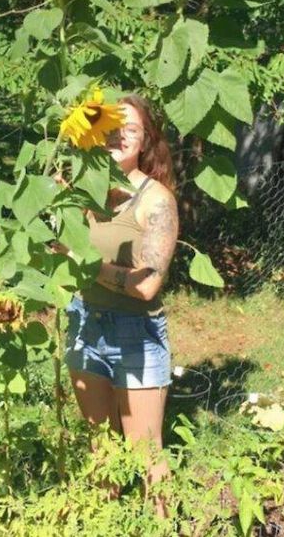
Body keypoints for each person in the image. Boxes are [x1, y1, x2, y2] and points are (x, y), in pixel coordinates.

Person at [63, 93, 179, 516]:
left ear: (146, 139)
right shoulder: (80, 192)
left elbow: (146, 286)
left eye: (130, 129)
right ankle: (106, 522)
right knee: (100, 449)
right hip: (83, 324)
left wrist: (83, 264)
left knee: (146, 455)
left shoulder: (156, 200)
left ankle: (161, 525)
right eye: (110, 127)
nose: (118, 136)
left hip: (136, 333)